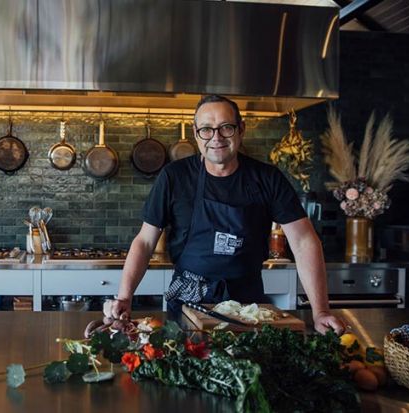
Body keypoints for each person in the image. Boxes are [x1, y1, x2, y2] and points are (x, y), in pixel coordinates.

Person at [107, 95, 345, 335]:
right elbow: (145, 241)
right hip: (186, 306)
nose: (216, 138)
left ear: (241, 129)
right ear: (196, 132)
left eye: (226, 128)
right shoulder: (174, 177)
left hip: (248, 307)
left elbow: (304, 241)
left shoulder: (268, 179)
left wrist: (321, 311)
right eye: (207, 130)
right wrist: (125, 297)